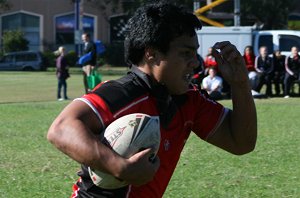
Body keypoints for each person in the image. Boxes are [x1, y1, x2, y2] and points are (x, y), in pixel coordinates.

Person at [47, 3, 257, 197]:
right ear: (152, 54)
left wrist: (240, 84)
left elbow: (241, 143)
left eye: (196, 54)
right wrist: (120, 167)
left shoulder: (190, 100)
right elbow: (61, 129)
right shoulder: (122, 93)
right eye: (186, 53)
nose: (195, 63)